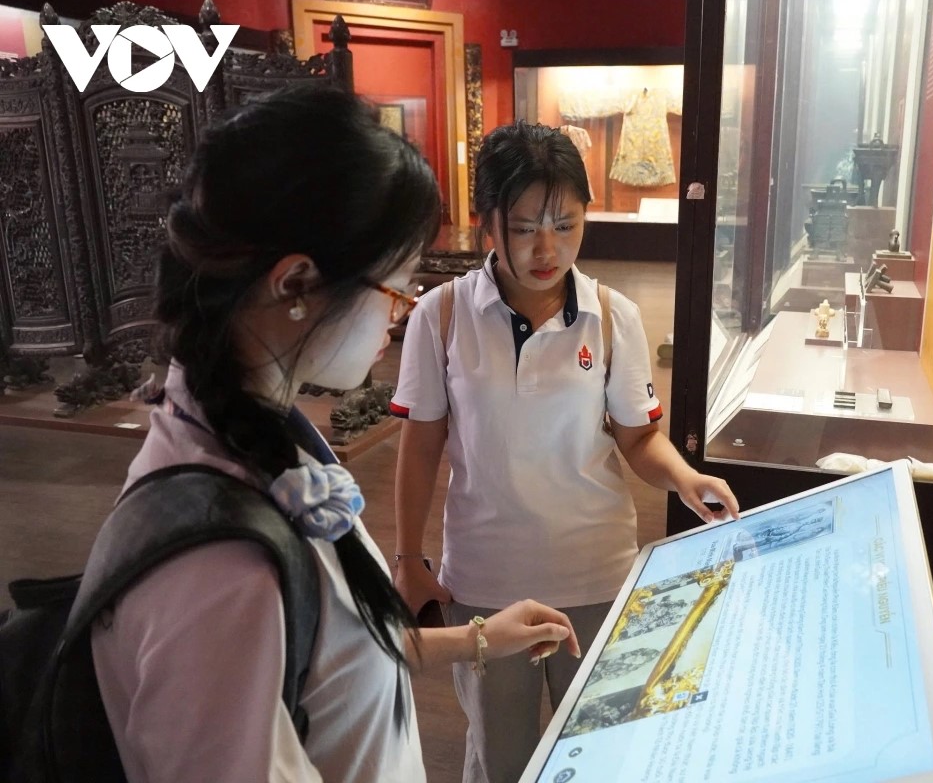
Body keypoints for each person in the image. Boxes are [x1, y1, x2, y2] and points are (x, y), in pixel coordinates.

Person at [89, 87, 580, 783]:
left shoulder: (252, 435)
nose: (399, 316)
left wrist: (474, 639)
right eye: (395, 287)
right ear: (296, 283)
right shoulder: (223, 569)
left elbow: (329, 654)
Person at [390, 121, 740, 783]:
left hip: (596, 575)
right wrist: (409, 560)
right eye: (524, 228)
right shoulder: (442, 315)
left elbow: (639, 438)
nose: (546, 248)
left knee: (602, 754)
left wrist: (685, 478)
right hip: (486, 583)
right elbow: (421, 442)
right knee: (503, 758)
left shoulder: (613, 315)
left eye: (565, 224)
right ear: (487, 224)